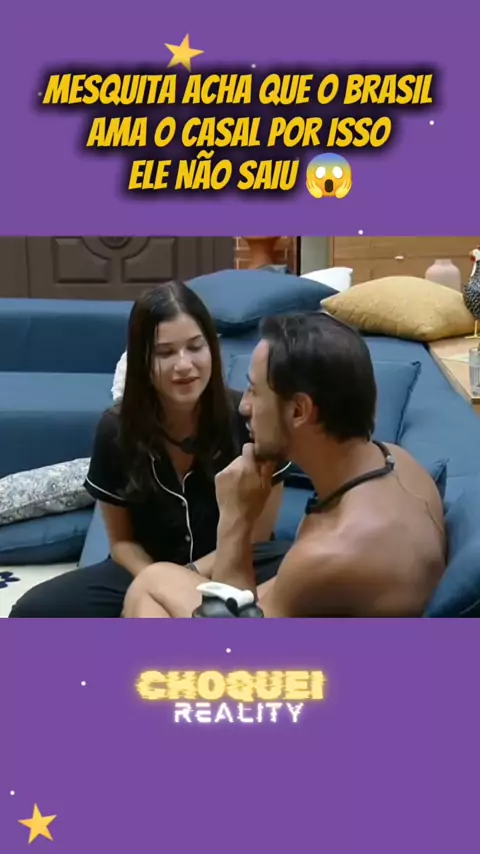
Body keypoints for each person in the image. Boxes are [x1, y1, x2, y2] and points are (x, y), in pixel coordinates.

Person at [122, 311, 446, 618]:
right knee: (154, 581)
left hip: (335, 657)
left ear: (298, 411)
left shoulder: (330, 552)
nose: (244, 406)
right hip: (330, 623)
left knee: (148, 589)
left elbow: (232, 644)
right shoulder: (397, 461)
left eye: (254, 391)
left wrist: (235, 520)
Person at [9, 282, 291, 618]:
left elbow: (257, 534)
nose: (184, 364)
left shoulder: (249, 419)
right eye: (165, 353)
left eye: (195, 347)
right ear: (141, 359)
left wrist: (183, 580)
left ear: (212, 349)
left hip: (244, 560)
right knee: (31, 613)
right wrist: (157, 582)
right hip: (144, 567)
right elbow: (122, 543)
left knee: (302, 579)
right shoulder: (116, 430)